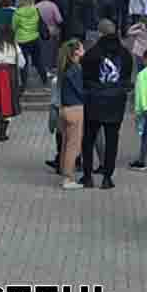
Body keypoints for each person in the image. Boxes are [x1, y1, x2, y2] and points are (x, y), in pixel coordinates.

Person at [80, 19, 133, 190]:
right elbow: (126, 79)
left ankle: (87, 176)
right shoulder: (125, 54)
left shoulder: (91, 53)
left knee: (88, 139)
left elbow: (84, 77)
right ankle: (107, 177)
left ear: (100, 34)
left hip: (94, 101)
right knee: (112, 141)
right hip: (115, 102)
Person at [58, 39, 86, 190]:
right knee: (73, 146)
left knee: (65, 143)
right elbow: (80, 90)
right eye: (81, 48)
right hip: (75, 109)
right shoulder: (76, 69)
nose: (84, 49)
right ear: (76, 52)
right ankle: (68, 178)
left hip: (64, 109)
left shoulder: (65, 68)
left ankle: (64, 172)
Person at [13, 0, 46, 88]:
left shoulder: (17, 12)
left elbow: (14, 26)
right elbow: (38, 23)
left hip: (22, 39)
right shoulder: (35, 10)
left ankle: (23, 83)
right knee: (38, 60)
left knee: (24, 62)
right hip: (35, 38)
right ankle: (44, 78)